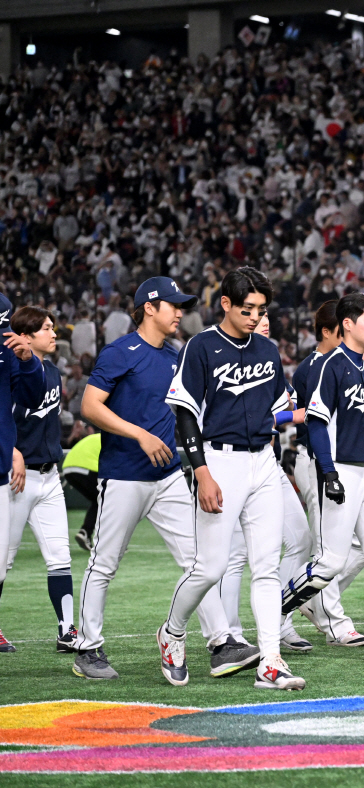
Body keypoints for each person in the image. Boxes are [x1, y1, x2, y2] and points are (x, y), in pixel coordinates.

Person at [74, 277, 250, 680]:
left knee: (198, 560)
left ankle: (222, 643)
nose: (180, 313)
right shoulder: (120, 352)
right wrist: (139, 434)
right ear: (149, 308)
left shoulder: (176, 354)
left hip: (168, 475)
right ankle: (87, 649)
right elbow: (89, 406)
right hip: (123, 475)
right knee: (104, 563)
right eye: (173, 305)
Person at [160, 267, 302, 689]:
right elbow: (185, 413)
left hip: (263, 461)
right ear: (225, 303)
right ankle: (172, 632)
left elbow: (275, 409)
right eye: (247, 308)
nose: (256, 316)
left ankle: (271, 662)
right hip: (219, 461)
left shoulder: (268, 349)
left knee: (266, 567)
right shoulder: (201, 346)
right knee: (209, 567)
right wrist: (201, 471)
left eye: (261, 309)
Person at [280, 293, 364, 661]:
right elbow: (316, 422)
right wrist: (328, 472)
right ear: (347, 324)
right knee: (330, 561)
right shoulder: (330, 365)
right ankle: (275, 608)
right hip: (340, 469)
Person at [211, 313, 316, 655]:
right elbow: (246, 414)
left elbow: (282, 405)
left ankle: (279, 619)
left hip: (266, 461)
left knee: (300, 537)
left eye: (266, 313)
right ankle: (231, 635)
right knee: (235, 555)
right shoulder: (220, 354)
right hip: (230, 460)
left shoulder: (267, 356)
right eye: (255, 312)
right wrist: (291, 415)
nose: (263, 319)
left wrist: (290, 410)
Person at [7, 306, 77, 652]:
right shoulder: (8, 371)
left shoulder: (52, 371)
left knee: (60, 557)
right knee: (3, 560)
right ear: (25, 336)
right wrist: (12, 451)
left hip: (49, 477)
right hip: (15, 480)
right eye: (46, 328)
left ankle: (67, 631)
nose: (53, 333)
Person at [0, 295, 45, 654]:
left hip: (0, 473)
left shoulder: (9, 353)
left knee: (0, 567)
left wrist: (27, 360)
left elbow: (32, 398)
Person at [62, 433, 101, 551]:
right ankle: (111, 541)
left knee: (99, 500)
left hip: (68, 468)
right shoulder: (115, 441)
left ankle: (85, 532)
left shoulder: (98, 437)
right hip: (87, 468)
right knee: (108, 501)